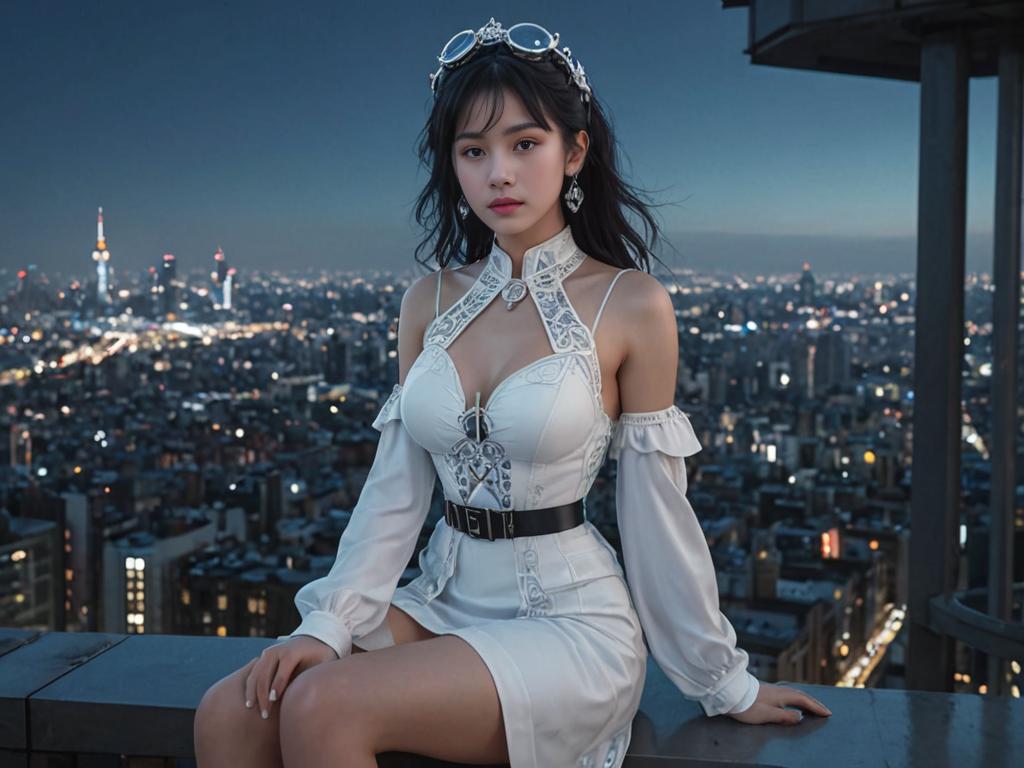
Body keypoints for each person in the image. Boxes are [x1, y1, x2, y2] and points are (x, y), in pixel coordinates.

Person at [194, 17, 832, 768]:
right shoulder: (425, 302)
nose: (499, 172)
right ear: (454, 167)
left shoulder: (631, 305)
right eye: (474, 151)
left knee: (324, 704)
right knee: (231, 714)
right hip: (439, 599)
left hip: (567, 620)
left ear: (576, 152)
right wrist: (327, 624)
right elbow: (396, 491)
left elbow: (656, 510)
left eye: (525, 144)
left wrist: (726, 683)